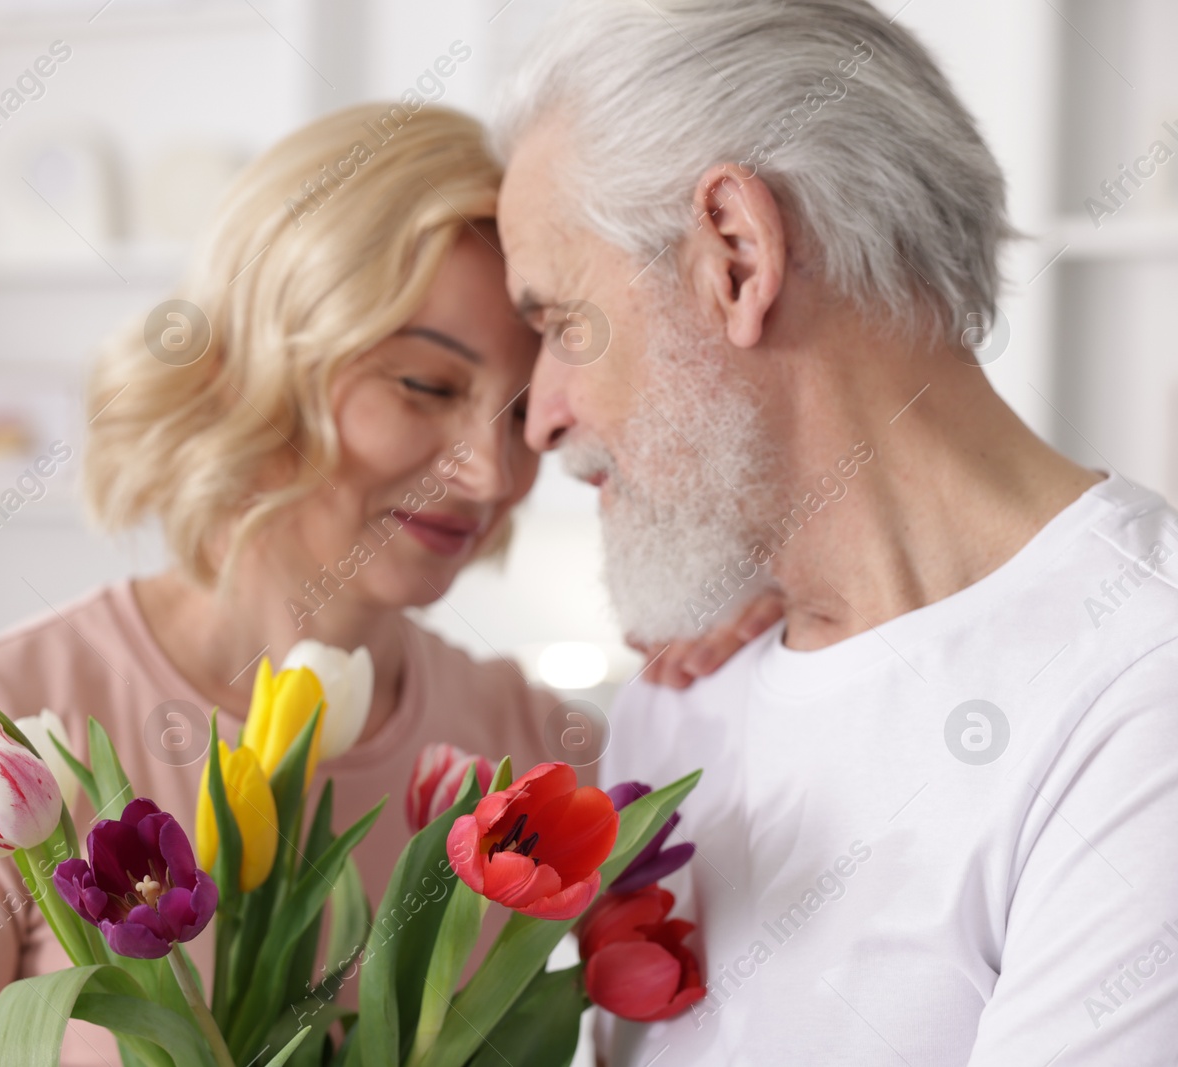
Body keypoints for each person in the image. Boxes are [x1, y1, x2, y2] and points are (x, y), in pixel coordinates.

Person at [0, 102, 772, 1067]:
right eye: (425, 386)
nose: (488, 472)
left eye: (519, 414)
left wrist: (749, 635)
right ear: (263, 362)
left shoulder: (522, 744)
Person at [496, 0, 1178, 1063]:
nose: (540, 417)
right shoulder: (680, 699)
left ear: (733, 252)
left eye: (558, 325)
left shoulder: (1139, 685)